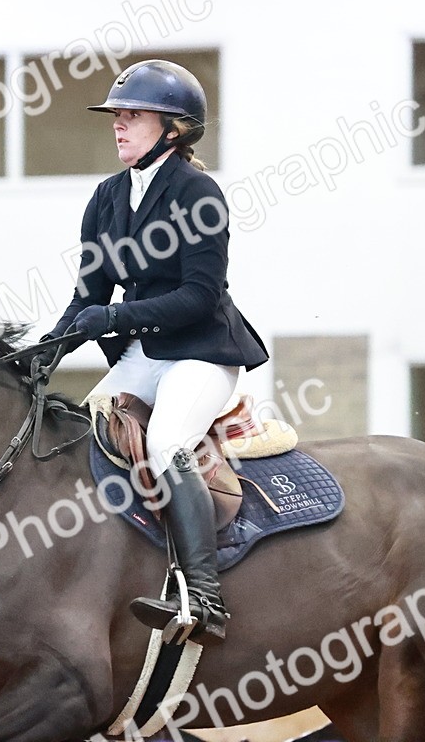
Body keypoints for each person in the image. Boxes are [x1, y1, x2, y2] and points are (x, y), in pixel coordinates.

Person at [40, 59, 269, 641]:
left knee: (167, 443)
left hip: (202, 352)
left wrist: (116, 317)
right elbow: (87, 298)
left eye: (133, 116)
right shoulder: (107, 197)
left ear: (173, 129)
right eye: (116, 116)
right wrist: (42, 355)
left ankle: (204, 597)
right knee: (81, 437)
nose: (118, 125)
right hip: (146, 354)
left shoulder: (198, 192)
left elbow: (199, 295)